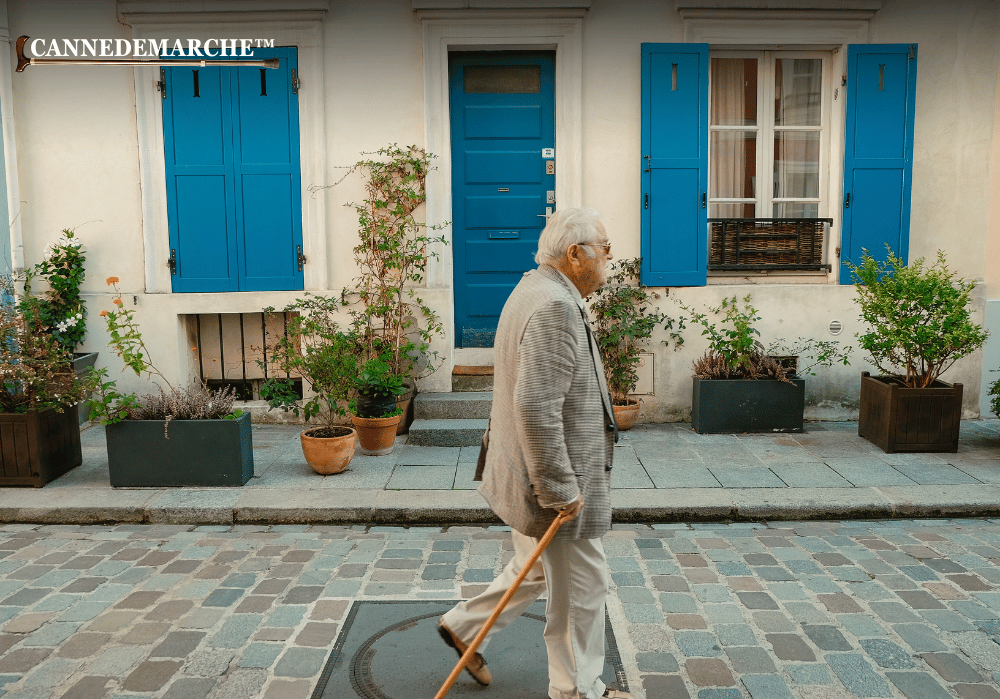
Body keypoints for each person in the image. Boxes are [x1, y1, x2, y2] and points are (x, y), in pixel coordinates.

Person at [437, 208, 633, 699]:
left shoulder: (534, 287)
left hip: (523, 468)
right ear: (576, 254)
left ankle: (465, 627)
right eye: (605, 249)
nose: (610, 258)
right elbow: (536, 405)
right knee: (583, 589)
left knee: (538, 570)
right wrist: (561, 490)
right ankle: (576, 690)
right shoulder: (554, 306)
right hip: (550, 481)